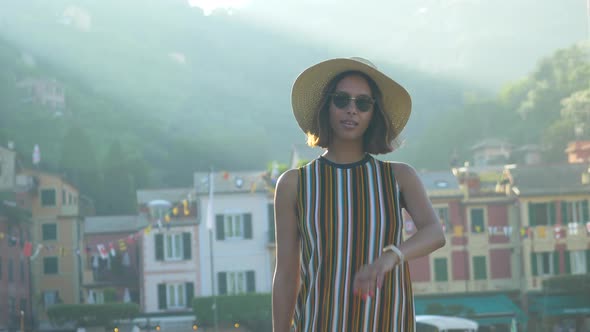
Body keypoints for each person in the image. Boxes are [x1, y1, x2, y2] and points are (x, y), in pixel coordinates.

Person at [272, 57, 446, 332]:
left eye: (363, 103)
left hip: (387, 322)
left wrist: (391, 257)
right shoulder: (294, 184)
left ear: (373, 114)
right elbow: (285, 273)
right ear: (326, 107)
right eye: (342, 100)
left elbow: (435, 233)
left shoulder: (399, 177)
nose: (352, 109)